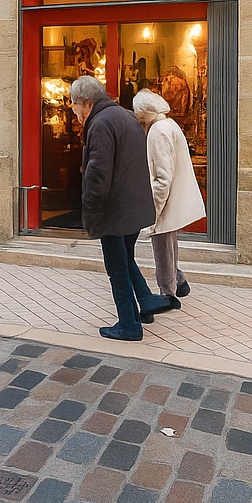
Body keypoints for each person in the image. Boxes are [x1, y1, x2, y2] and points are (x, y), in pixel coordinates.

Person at [70, 75, 173, 341]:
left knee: (117, 268)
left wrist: (90, 210)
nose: (74, 111)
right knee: (126, 260)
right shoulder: (125, 115)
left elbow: (98, 173)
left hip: (114, 211)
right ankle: (146, 303)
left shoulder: (101, 123)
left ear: (87, 103)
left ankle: (129, 325)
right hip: (132, 208)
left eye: (74, 105)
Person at [133, 89, 206, 305]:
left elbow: (162, 178)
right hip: (174, 196)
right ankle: (179, 281)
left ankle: (168, 293)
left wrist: (154, 210)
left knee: (163, 247)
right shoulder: (169, 124)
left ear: (143, 112)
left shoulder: (158, 131)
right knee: (169, 244)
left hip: (167, 199)